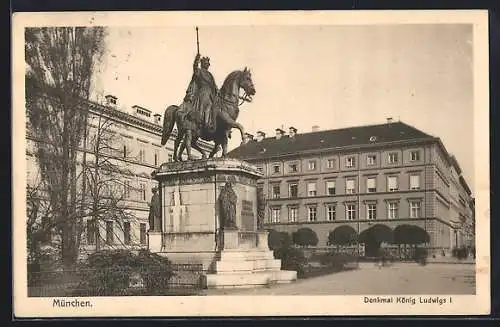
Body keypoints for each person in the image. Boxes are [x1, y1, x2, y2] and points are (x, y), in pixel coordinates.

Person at [184, 53, 218, 133]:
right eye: (206, 63)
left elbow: (214, 86)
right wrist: (196, 59)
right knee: (206, 102)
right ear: (202, 63)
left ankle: (213, 123)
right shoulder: (199, 71)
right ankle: (202, 121)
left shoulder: (210, 75)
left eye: (208, 64)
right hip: (202, 92)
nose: (207, 65)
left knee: (217, 106)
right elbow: (195, 67)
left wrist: (218, 91)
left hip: (210, 94)